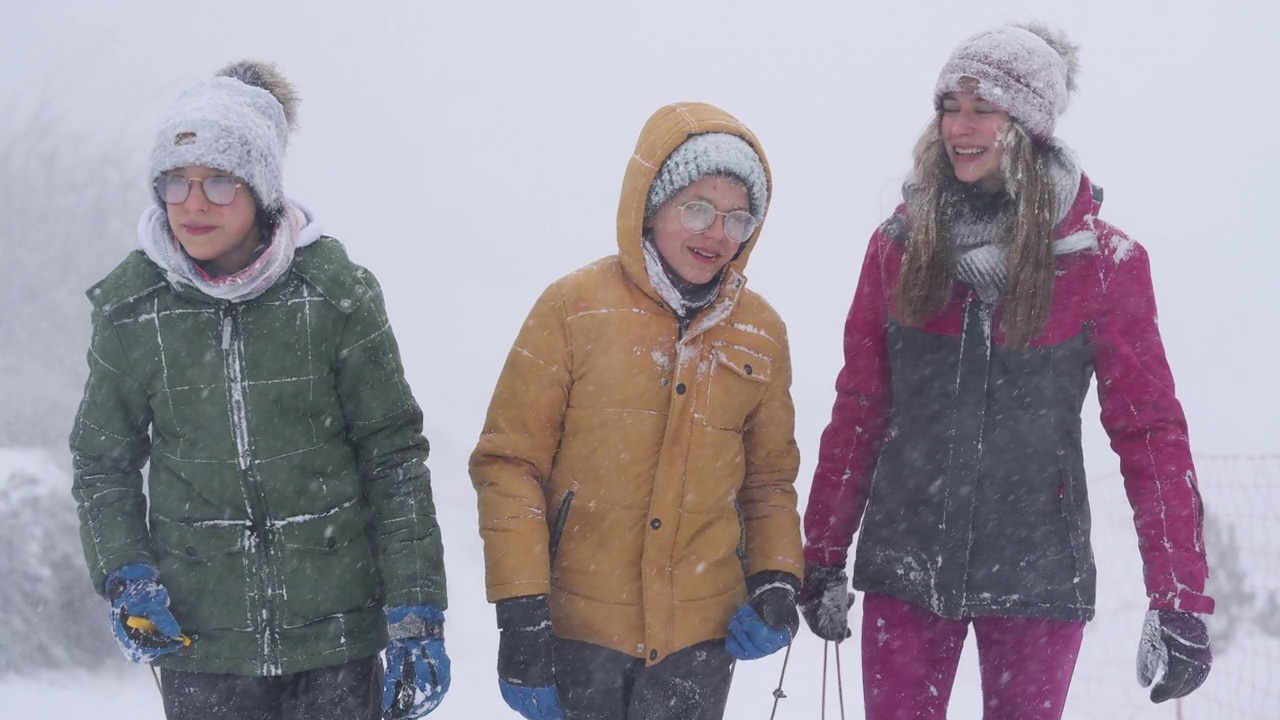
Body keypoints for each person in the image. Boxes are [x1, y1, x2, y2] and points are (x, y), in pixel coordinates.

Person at [797, 23, 1214, 720]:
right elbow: (861, 407)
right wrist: (823, 551)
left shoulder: (1101, 265)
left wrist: (1180, 598)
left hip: (1036, 577)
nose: (959, 127)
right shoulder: (896, 249)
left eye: (982, 109)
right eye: (948, 108)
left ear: (1026, 125)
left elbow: (1150, 433)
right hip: (906, 567)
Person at [69, 60, 449, 720]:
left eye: (219, 181)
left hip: (336, 633)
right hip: (201, 641)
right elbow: (103, 465)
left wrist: (416, 611)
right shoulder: (133, 311)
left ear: (262, 189)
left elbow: (392, 457)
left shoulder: (334, 294)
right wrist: (126, 574)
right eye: (176, 183)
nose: (193, 203)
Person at [469, 102, 803, 720]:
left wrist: (778, 577)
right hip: (579, 632)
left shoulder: (760, 332)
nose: (716, 234)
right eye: (698, 208)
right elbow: (509, 467)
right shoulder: (573, 310)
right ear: (651, 205)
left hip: (699, 642)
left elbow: (768, 482)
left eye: (737, 217)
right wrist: (520, 614)